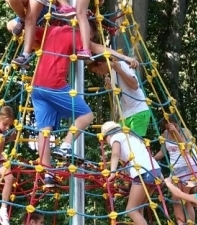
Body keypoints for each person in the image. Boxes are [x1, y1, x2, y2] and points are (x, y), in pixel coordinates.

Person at [30, 24, 136, 174]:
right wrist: (125, 58)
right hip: (54, 84)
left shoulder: (52, 30)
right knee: (87, 115)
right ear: (87, 30)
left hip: (36, 86)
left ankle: (47, 173)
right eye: (90, 36)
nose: (88, 41)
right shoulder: (78, 34)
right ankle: (65, 146)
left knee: (44, 130)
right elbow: (98, 48)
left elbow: (21, 27)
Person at [101, 122, 166, 225]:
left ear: (108, 135)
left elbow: (115, 154)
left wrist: (112, 173)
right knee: (138, 210)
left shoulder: (115, 137)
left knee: (131, 210)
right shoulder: (131, 138)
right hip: (154, 171)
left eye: (105, 140)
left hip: (143, 173)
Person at [155, 118, 197, 225]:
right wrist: (151, 159)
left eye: (173, 125)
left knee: (186, 200)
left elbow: (186, 148)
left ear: (177, 124)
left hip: (190, 167)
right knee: (176, 200)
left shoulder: (185, 131)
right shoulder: (165, 134)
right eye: (167, 125)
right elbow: (162, 152)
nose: (170, 127)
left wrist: (176, 131)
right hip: (176, 170)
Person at [91, 54, 151, 137]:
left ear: (100, 64)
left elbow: (134, 85)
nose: (98, 74)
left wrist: (120, 70)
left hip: (138, 111)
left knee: (135, 142)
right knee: (117, 139)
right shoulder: (112, 72)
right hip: (126, 114)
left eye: (96, 71)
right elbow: (121, 91)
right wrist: (110, 86)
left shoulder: (121, 65)